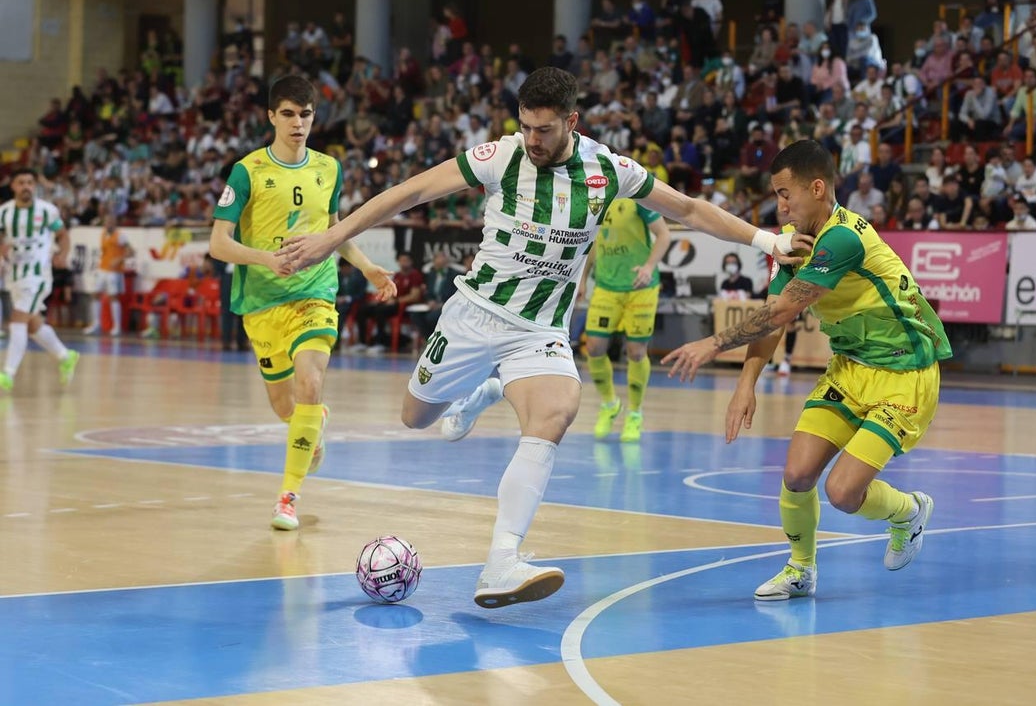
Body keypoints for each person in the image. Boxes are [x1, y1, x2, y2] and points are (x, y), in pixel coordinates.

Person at [278, 67, 810, 608]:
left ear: (571, 122)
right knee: (416, 418)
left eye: (544, 130)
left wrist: (767, 239)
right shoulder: (499, 158)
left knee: (558, 409)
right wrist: (333, 237)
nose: (532, 139)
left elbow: (690, 209)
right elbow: (411, 192)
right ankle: (483, 391)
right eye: (526, 126)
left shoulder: (608, 170)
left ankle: (501, 562)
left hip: (538, 330)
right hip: (473, 316)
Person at [662, 139, 949, 602]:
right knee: (796, 475)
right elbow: (775, 312)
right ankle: (801, 569)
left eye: (784, 194)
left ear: (817, 188)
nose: (780, 207)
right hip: (850, 369)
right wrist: (745, 385)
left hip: (905, 373)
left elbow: (778, 315)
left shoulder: (843, 238)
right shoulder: (793, 244)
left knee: (842, 492)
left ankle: (908, 511)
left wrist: (712, 345)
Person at [208, 74, 394, 531]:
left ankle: (286, 498)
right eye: (288, 114)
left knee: (310, 382)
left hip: (315, 292)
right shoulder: (247, 170)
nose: (297, 123)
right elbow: (218, 243)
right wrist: (265, 260)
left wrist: (366, 266)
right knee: (284, 407)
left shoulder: (328, 169)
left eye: (305, 115)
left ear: (315, 118)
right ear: (271, 116)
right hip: (262, 301)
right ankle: (314, 424)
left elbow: (334, 230)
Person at [578, 195, 672, 443]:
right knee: (594, 348)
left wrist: (649, 267)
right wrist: (583, 279)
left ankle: (635, 413)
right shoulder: (594, 199)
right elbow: (592, 244)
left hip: (640, 286)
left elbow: (664, 235)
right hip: (606, 286)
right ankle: (609, 404)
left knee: (636, 352)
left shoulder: (638, 198)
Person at [0, 168, 79, 392]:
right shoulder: (4, 213)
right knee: (33, 323)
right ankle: (65, 356)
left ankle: (7, 374)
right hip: (14, 273)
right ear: (13, 187)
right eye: (21, 183)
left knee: (17, 320)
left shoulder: (47, 211)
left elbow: (62, 235)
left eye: (30, 183)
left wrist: (62, 254)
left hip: (38, 275)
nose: (26, 187)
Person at [82, 213, 133, 336]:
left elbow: (131, 251)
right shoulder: (103, 234)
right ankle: (96, 324)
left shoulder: (120, 235)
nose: (108, 224)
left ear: (115, 223)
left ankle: (117, 326)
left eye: (111, 221)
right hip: (102, 268)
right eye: (106, 221)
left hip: (114, 271)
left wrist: (119, 259)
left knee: (113, 297)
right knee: (95, 294)